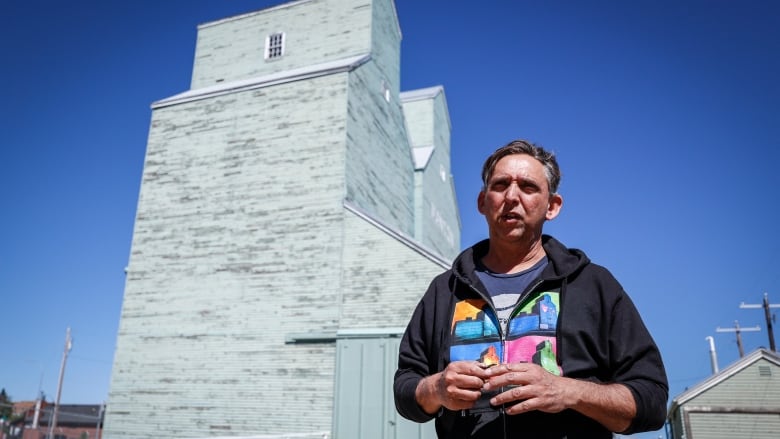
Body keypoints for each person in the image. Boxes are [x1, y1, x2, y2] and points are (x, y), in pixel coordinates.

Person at [394, 140, 668, 438]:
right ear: (482, 202)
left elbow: (651, 401)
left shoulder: (593, 285)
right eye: (500, 185)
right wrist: (436, 388)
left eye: (527, 187)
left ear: (552, 206)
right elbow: (405, 389)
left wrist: (567, 391)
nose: (511, 196)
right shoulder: (445, 289)